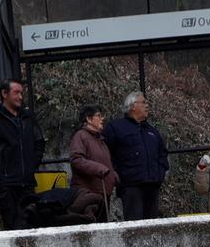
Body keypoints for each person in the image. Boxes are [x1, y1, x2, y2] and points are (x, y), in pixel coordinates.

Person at [0, 77, 45, 230]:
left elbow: (39, 142)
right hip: (5, 185)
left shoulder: (28, 117)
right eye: (16, 93)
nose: (20, 97)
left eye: (22, 93)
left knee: (30, 223)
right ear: (4, 94)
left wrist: (31, 165)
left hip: (27, 182)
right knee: (12, 226)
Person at [103, 91, 169, 220]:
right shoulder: (116, 128)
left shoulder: (152, 131)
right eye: (143, 102)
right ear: (133, 106)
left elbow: (162, 154)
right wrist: (117, 174)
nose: (147, 106)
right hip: (130, 186)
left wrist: (160, 174)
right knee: (135, 226)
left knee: (152, 226)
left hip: (152, 185)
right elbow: (105, 152)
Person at [67, 105, 119, 222]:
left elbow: (105, 164)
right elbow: (76, 159)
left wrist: (113, 175)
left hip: (103, 196)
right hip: (88, 197)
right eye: (98, 116)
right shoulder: (80, 136)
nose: (102, 119)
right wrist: (98, 168)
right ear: (88, 119)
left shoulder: (101, 141)